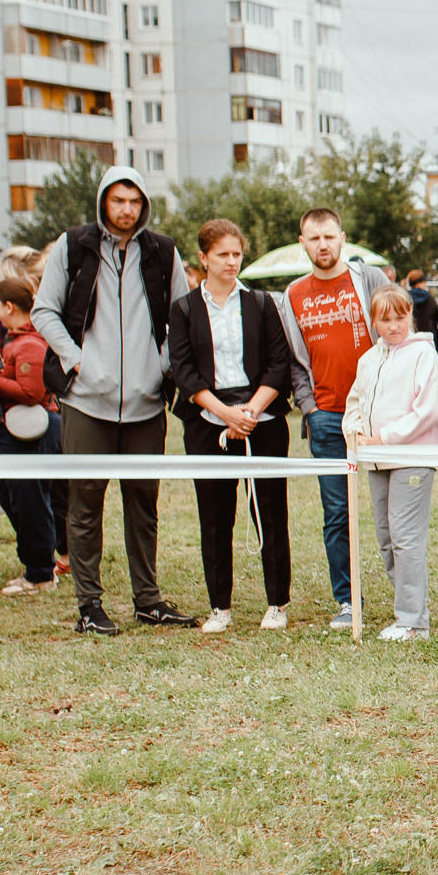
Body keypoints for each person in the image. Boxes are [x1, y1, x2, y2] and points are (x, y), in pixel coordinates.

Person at [31, 165, 197, 635]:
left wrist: (161, 367)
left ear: (144, 204)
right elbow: (44, 311)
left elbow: (181, 317)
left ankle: (148, 600)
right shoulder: (74, 245)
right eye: (118, 200)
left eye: (135, 201)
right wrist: (77, 361)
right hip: (86, 401)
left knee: (144, 504)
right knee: (84, 504)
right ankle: (89, 605)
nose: (127, 210)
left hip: (145, 403)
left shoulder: (163, 251)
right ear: (104, 200)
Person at [166, 220, 294, 634]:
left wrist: (250, 412)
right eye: (222, 254)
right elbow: (184, 372)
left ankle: (277, 602)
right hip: (208, 419)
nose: (231, 262)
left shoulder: (260, 303)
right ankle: (220, 606)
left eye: (236, 254)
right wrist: (225, 414)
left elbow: (280, 364)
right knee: (216, 516)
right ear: (203, 258)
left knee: (270, 513)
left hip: (263, 416)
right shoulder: (184, 309)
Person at [278, 207, 380, 632]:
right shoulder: (293, 295)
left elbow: (398, 330)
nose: (323, 245)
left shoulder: (369, 280)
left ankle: (407, 598)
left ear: (343, 238)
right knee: (337, 513)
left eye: (329, 237)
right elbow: (293, 361)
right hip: (326, 416)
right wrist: (309, 406)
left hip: (376, 412)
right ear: (302, 243)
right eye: (313, 238)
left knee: (391, 510)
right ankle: (347, 601)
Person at [342, 284, 438, 641]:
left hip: (411, 459)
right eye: (384, 319)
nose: (393, 326)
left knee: (405, 538)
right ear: (373, 321)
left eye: (400, 317)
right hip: (375, 460)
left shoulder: (422, 355)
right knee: (386, 539)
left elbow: (428, 409)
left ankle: (413, 623)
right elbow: (354, 402)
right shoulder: (369, 359)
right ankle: (408, 609)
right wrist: (355, 433)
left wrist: (384, 437)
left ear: (410, 317)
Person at [0, 276, 62, 595]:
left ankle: (40, 574)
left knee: (31, 501)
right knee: (13, 498)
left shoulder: (29, 344)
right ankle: (36, 565)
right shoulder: (16, 339)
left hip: (30, 435)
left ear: (8, 306)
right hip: (15, 433)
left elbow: (32, 392)